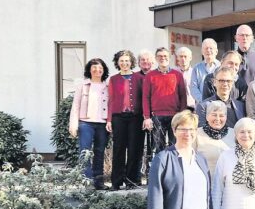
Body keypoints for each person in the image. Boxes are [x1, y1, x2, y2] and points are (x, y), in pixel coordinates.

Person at [69, 58, 110, 190]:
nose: (97, 70)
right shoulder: (83, 85)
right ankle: (87, 181)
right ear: (89, 70)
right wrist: (73, 124)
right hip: (85, 123)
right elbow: (75, 105)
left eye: (100, 68)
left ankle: (98, 181)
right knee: (85, 152)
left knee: (99, 152)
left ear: (104, 70)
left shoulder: (108, 85)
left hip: (102, 124)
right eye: (94, 68)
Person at [107, 50, 145, 191]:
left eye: (127, 61)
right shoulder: (113, 79)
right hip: (118, 117)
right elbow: (111, 100)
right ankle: (116, 182)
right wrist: (109, 120)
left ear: (131, 62)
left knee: (134, 149)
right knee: (118, 149)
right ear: (118, 62)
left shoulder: (139, 78)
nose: (124, 63)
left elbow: (144, 98)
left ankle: (131, 181)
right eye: (121, 61)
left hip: (136, 117)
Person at [142, 47, 188, 153]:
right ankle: (160, 169)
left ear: (169, 58)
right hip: (157, 117)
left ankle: (173, 169)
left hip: (175, 116)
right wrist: (147, 117)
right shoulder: (150, 76)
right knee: (158, 148)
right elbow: (145, 97)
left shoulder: (177, 75)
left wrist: (182, 116)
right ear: (156, 58)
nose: (163, 58)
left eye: (165, 56)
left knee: (175, 147)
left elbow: (183, 96)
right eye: (160, 56)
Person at [190, 38, 220, 106]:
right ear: (202, 51)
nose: (208, 50)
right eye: (206, 48)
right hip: (201, 105)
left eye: (211, 48)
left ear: (216, 51)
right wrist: (204, 101)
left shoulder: (221, 67)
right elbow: (193, 88)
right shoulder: (196, 68)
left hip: (218, 105)